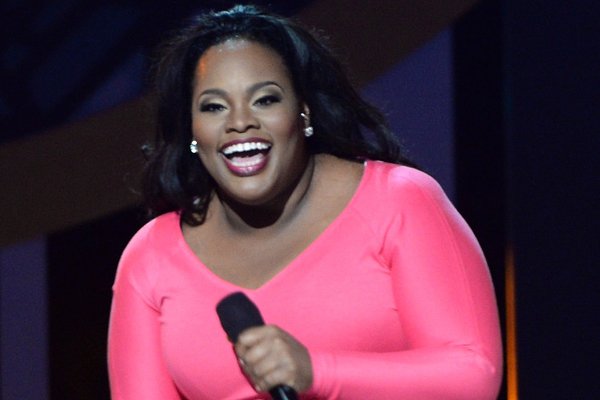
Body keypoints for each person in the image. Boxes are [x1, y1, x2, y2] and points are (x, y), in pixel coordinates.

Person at [108, 4, 503, 399]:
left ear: (304, 112)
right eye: (214, 107)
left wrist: (317, 372)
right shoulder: (151, 256)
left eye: (265, 100)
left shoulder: (399, 201)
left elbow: (473, 374)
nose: (239, 122)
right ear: (192, 130)